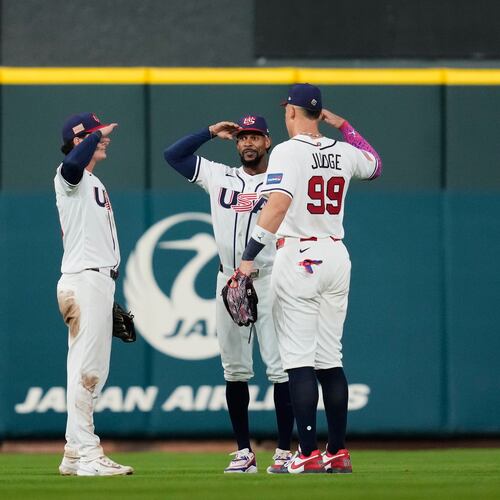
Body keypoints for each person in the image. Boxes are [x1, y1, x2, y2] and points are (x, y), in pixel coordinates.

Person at [236, 84, 382, 474]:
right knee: (330, 359)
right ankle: (337, 450)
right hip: (336, 254)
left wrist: (249, 257)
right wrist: (346, 125)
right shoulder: (344, 151)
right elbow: (376, 163)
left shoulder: (286, 151)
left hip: (299, 253)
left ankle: (307, 453)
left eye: (287, 110)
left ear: (292, 113)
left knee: (298, 360)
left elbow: (279, 204)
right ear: (320, 113)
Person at [164, 115, 294, 474]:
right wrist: (208, 132)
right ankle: (243, 452)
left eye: (255, 137)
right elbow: (173, 156)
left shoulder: (282, 179)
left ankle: (284, 450)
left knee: (281, 368)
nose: (247, 143)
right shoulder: (219, 174)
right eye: (242, 138)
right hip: (228, 279)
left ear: (268, 141)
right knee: (235, 370)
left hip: (270, 277)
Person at [54, 112, 134, 476]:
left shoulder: (91, 180)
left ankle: (73, 453)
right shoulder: (68, 176)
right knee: (87, 371)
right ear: (78, 140)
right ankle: (89, 456)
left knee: (85, 371)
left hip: (96, 280)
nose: (105, 139)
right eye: (95, 135)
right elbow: (71, 164)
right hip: (85, 279)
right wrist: (94, 134)